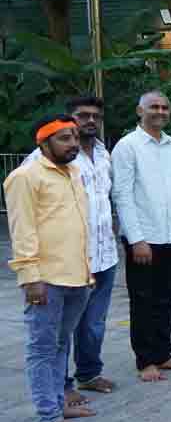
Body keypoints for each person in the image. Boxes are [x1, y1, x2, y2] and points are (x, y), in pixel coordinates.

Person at [20, 96, 119, 397]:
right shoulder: (39, 164)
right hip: (67, 262)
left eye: (95, 116)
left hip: (104, 257)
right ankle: (61, 389)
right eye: (82, 116)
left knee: (93, 325)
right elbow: (25, 222)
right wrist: (30, 274)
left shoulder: (104, 154)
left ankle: (88, 374)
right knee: (58, 334)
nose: (90, 121)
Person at [7, 116, 98, 422]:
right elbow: (23, 231)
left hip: (77, 277)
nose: (73, 143)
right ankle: (49, 417)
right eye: (63, 138)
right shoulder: (25, 177)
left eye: (74, 137)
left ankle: (59, 402)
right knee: (42, 348)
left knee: (61, 344)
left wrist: (88, 270)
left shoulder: (74, 172)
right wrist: (30, 277)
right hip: (46, 279)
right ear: (43, 144)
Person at [112, 91, 171, 382]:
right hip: (143, 239)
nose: (160, 111)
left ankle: (163, 353)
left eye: (165, 107)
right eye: (153, 107)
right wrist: (137, 239)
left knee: (166, 299)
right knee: (143, 300)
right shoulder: (127, 146)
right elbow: (121, 194)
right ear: (139, 110)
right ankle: (145, 360)